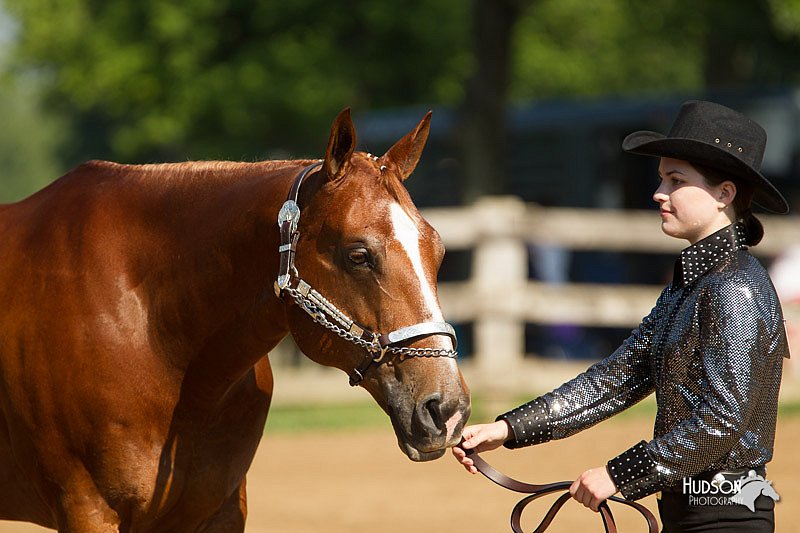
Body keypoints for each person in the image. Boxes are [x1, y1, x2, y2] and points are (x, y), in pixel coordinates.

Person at [453, 100, 790, 532]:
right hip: (691, 513)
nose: (659, 193)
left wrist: (620, 473)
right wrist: (510, 428)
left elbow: (723, 419)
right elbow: (618, 377)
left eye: (676, 180)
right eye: (661, 179)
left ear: (724, 194)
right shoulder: (690, 285)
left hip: (726, 518)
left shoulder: (736, 288)